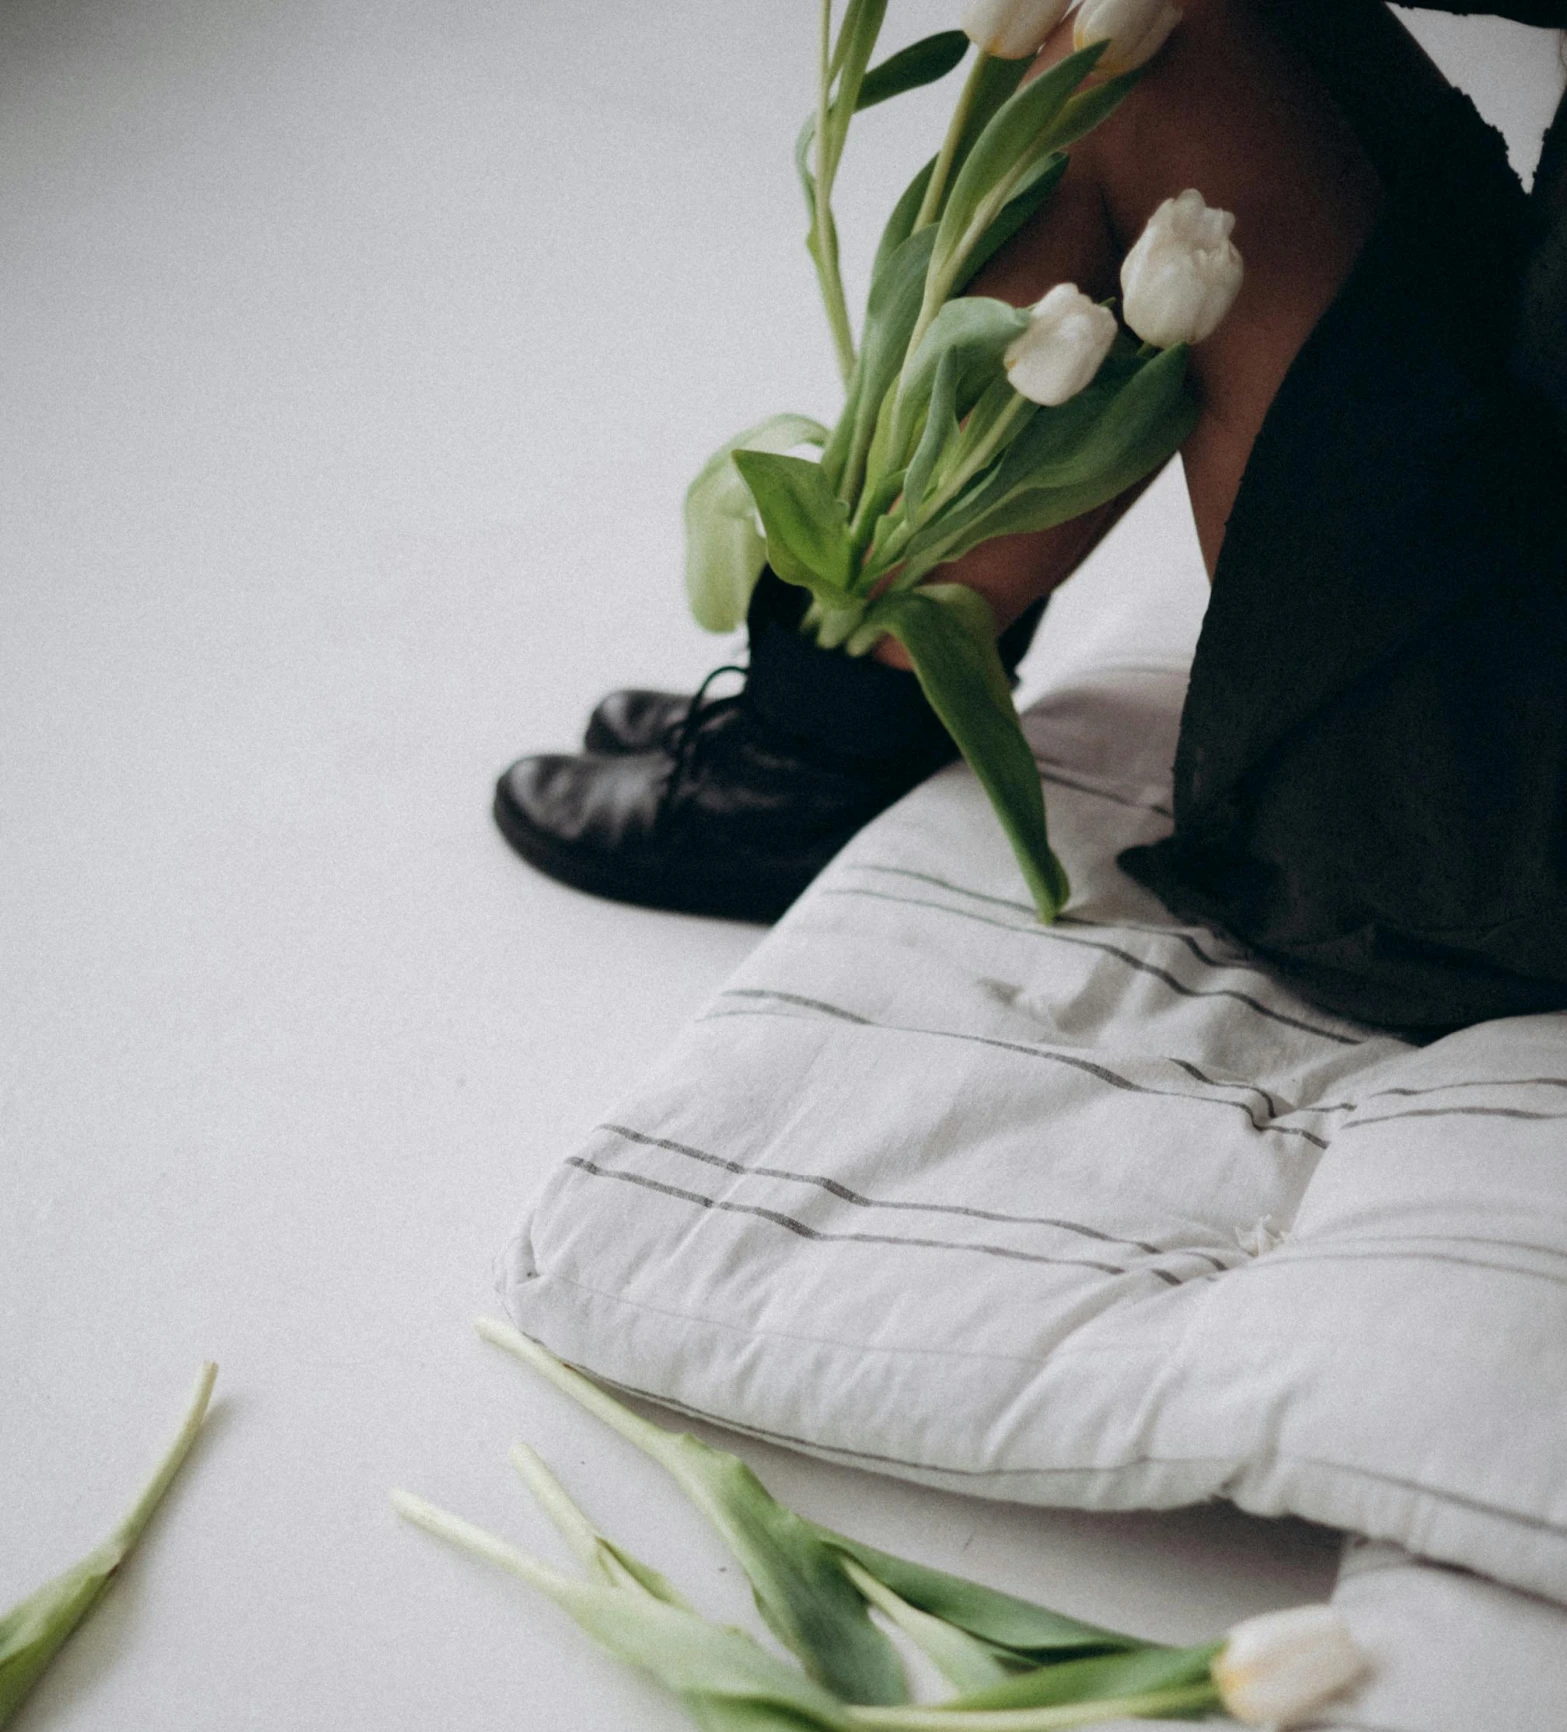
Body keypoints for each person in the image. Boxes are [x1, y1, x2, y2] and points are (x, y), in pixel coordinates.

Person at [493, 0, 1567, 1039]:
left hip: (1490, 797)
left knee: (1139, 68)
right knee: (1178, 19)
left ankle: (823, 746)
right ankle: (857, 693)